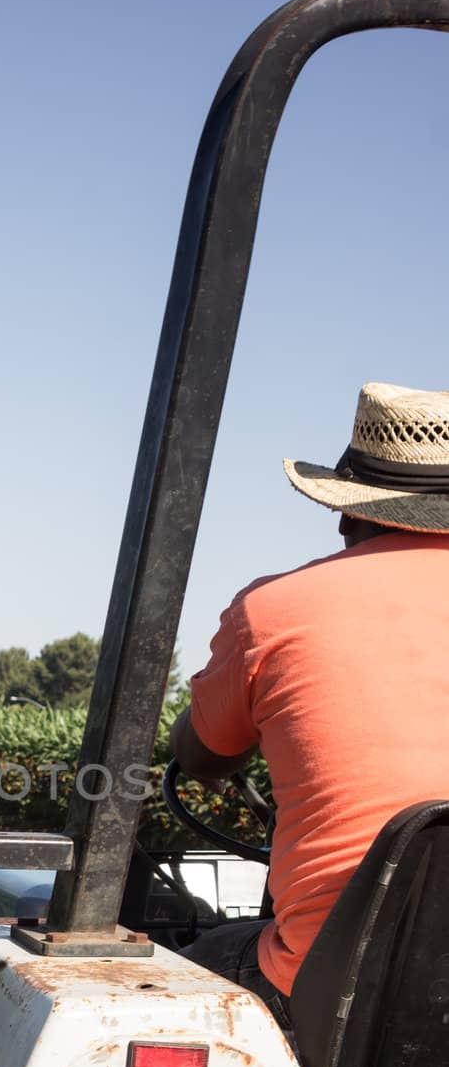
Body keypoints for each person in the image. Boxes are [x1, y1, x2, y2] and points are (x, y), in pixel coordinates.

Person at [170, 382, 449, 1028]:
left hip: (331, 987)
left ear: (348, 511)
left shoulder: (272, 609)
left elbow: (203, 758)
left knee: (164, 977)